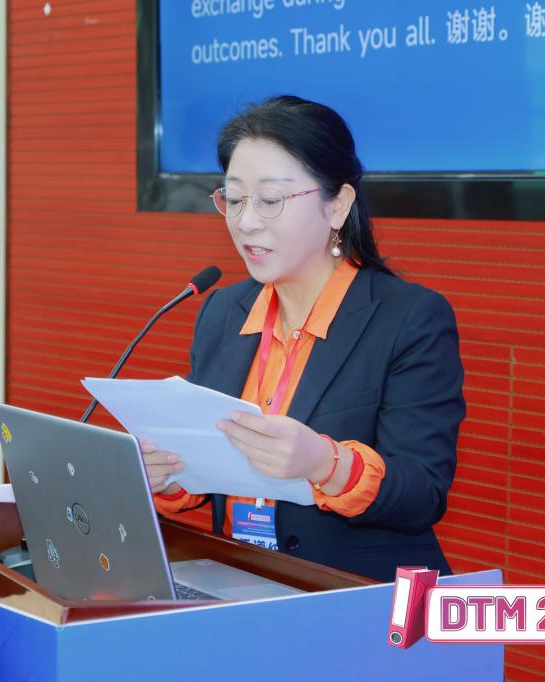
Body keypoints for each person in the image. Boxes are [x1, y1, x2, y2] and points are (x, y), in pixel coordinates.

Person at [142, 95, 465, 583]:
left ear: (337, 205)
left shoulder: (409, 319)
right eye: (234, 199)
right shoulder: (223, 311)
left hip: (357, 595)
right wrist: (166, 475)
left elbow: (422, 493)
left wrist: (322, 463)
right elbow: (208, 471)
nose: (246, 221)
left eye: (271, 200)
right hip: (242, 580)